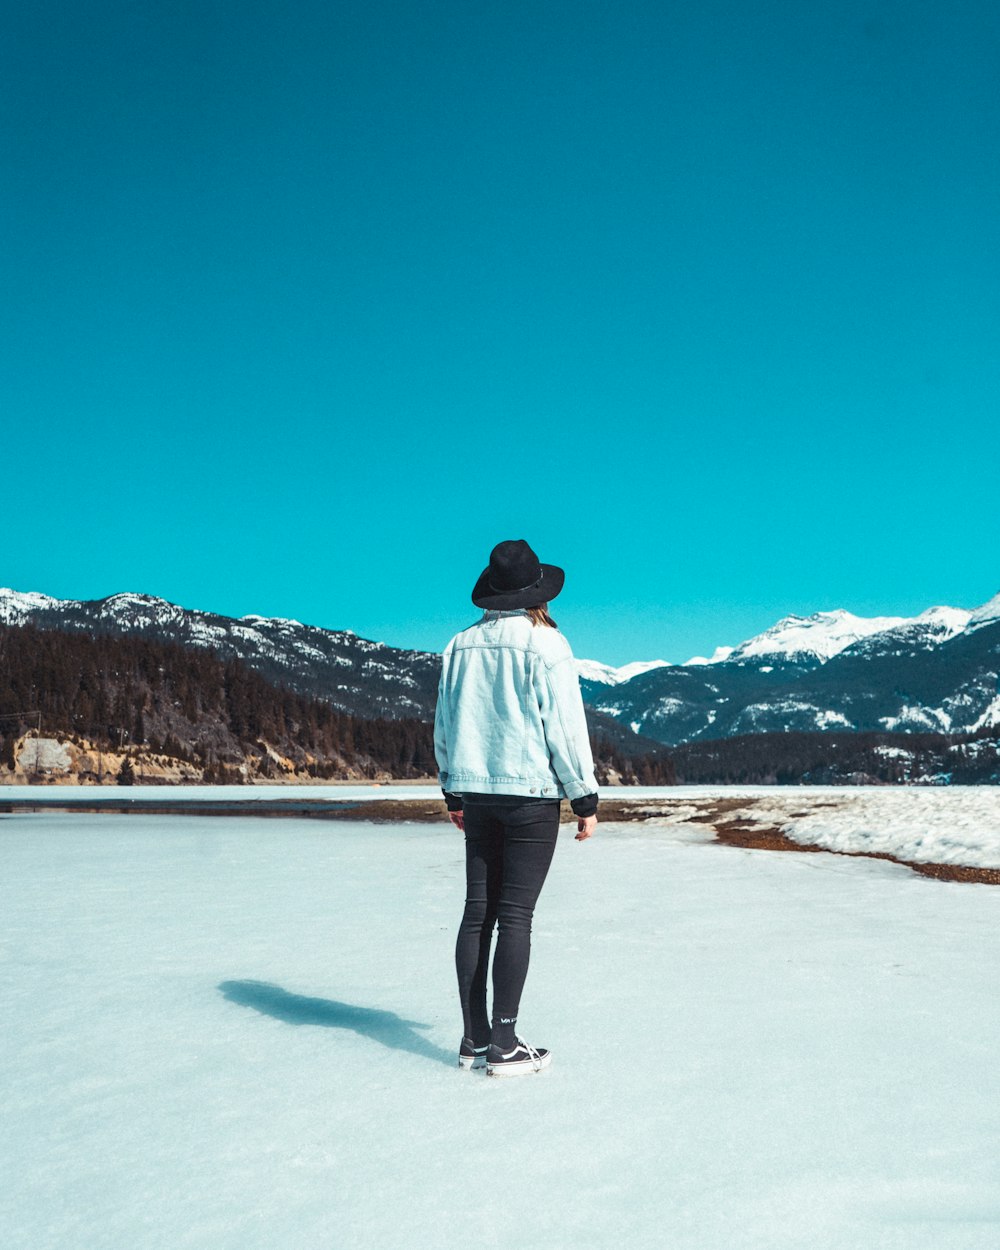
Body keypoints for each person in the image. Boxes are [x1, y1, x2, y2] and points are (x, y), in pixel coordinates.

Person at [433, 538, 599, 1077]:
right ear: (537, 594)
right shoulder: (547, 645)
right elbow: (566, 728)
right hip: (530, 796)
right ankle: (505, 1045)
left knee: (477, 911)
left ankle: (474, 1039)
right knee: (516, 916)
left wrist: (453, 791)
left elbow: (445, 725)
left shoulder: (458, 645)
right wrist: (584, 796)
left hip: (476, 794)